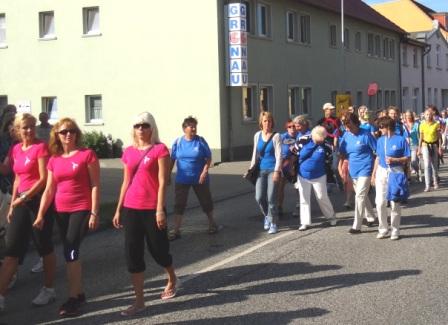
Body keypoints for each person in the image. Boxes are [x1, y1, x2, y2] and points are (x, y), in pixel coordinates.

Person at [113, 112, 178, 316]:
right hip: (131, 207)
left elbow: (162, 182)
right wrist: (118, 208)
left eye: (145, 125)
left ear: (152, 128)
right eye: (137, 126)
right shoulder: (129, 152)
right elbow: (126, 181)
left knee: (158, 250)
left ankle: (172, 277)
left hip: (152, 208)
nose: (141, 129)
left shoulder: (160, 150)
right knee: (133, 253)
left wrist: (160, 209)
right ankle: (139, 301)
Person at [34, 117, 100, 317]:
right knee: (70, 251)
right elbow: (49, 189)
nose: (68, 134)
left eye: (71, 130)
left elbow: (95, 185)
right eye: (63, 132)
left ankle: (72, 299)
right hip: (60, 211)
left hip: (81, 208)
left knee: (71, 248)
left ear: (76, 133)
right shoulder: (54, 160)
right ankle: (79, 293)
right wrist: (40, 214)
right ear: (57, 135)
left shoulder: (87, 155)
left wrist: (95, 212)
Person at [0, 113, 56, 311]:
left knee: (44, 246)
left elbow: (43, 180)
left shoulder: (41, 148)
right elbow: (16, 178)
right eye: (25, 127)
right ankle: (1, 296)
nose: (30, 130)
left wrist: (23, 198)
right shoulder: (16, 149)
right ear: (17, 130)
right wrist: (13, 203)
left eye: (32, 126)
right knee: (11, 250)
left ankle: (48, 289)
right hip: (21, 202)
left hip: (39, 202)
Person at [168, 116, 219, 240]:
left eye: (195, 126)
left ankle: (212, 223)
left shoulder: (200, 141)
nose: (194, 128)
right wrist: (167, 174)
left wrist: (204, 172)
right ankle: (176, 230)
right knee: (179, 204)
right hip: (182, 179)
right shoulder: (178, 142)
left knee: (206, 201)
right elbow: (172, 159)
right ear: (184, 128)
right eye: (191, 126)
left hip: (199, 178)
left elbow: (209, 158)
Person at [372, 116, 410, 240]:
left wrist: (396, 159)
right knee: (380, 202)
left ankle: (395, 229)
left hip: (395, 171)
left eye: (381, 127)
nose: (379, 129)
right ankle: (383, 228)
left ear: (388, 127)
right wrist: (373, 174)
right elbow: (377, 157)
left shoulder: (400, 140)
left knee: (395, 203)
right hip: (381, 171)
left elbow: (407, 158)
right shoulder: (380, 140)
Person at [339, 113, 377, 234]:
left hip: (366, 168)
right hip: (353, 170)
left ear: (356, 123)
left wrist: (375, 171)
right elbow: (342, 154)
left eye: (349, 124)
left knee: (359, 196)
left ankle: (357, 225)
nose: (347, 127)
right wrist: (341, 168)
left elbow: (377, 151)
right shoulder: (346, 136)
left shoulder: (366, 135)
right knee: (362, 195)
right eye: (345, 125)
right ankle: (371, 217)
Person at [295, 126, 337, 231]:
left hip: (319, 175)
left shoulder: (326, 145)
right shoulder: (302, 140)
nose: (319, 142)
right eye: (318, 141)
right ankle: (305, 222)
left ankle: (331, 216)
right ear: (313, 136)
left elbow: (329, 160)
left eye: (321, 141)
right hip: (303, 174)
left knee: (321, 196)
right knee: (304, 198)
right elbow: (295, 154)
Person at [248, 111, 282, 234]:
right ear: (261, 123)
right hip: (261, 170)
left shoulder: (276, 136)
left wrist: (277, 171)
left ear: (272, 122)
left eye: (269, 121)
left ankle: (273, 223)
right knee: (259, 197)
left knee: (271, 198)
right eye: (265, 121)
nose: (267, 123)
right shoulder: (257, 135)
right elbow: (255, 154)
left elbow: (279, 155)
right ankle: (267, 216)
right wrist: (251, 169)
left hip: (273, 169)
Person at [417, 108, 442, 191]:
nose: (428, 116)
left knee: (434, 165)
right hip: (425, 145)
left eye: (430, 114)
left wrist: (440, 148)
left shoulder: (436, 124)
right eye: (427, 114)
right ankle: (427, 185)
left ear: (432, 115)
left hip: (434, 145)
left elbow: (439, 137)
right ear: (424, 115)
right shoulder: (422, 124)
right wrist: (419, 148)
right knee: (426, 165)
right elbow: (421, 137)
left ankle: (435, 182)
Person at [278, 119, 297, 217]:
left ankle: (299, 206)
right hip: (284, 164)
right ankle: (279, 206)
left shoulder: (299, 136)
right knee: (280, 186)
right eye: (290, 126)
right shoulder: (282, 137)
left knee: (298, 187)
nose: (292, 128)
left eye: (294, 126)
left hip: (295, 165)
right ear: (287, 128)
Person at [403, 110, 421, 182]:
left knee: (413, 161)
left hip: (414, 145)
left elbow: (419, 136)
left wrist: (419, 147)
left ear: (412, 116)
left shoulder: (416, 124)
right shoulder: (403, 125)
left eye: (409, 115)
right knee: (407, 163)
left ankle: (418, 172)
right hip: (405, 146)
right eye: (406, 115)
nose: (408, 117)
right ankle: (408, 178)